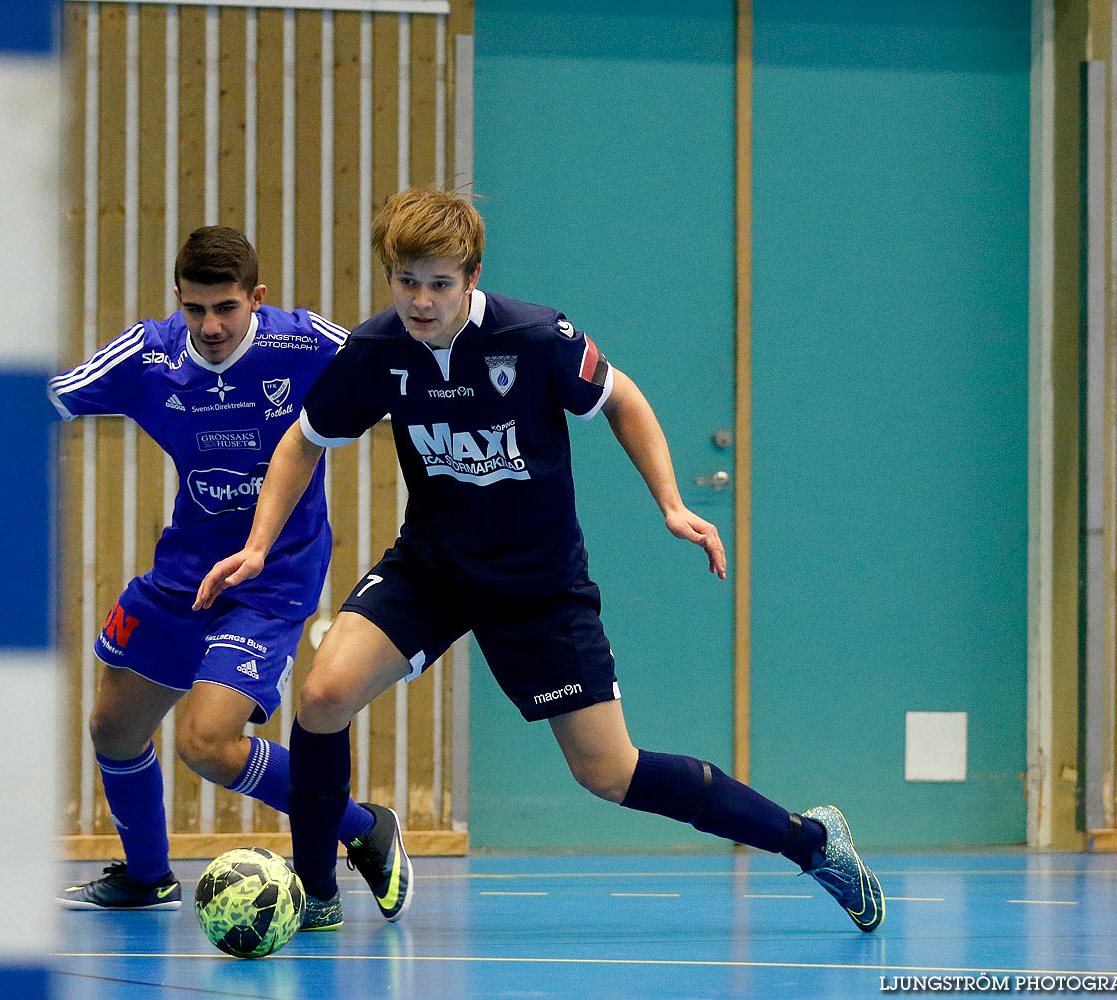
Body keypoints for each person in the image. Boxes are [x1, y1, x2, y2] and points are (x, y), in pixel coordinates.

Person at [197, 188, 884, 934]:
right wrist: (259, 543)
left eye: (439, 284)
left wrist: (671, 501)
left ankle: (812, 843)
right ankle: (318, 887)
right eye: (406, 283)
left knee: (608, 773)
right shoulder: (376, 352)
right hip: (431, 569)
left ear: (472, 275)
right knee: (324, 695)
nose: (421, 302)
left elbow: (623, 400)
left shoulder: (534, 336)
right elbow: (303, 439)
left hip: (538, 584)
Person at [50, 226, 411, 921]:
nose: (210, 326)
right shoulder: (149, 356)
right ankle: (148, 877)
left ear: (257, 299)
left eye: (226, 308)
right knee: (114, 730)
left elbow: (406, 377)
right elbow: (47, 400)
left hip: (274, 578)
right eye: (195, 310)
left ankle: (363, 829)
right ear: (177, 303)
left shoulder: (307, 345)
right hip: (184, 570)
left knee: (207, 743)